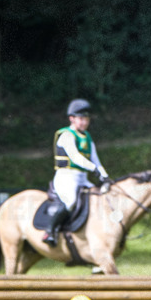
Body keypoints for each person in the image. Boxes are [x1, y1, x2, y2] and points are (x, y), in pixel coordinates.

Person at [43, 99, 110, 245]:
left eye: (86, 119)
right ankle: (50, 232)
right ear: (71, 118)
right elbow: (75, 157)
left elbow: (95, 159)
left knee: (100, 197)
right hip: (66, 177)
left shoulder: (87, 137)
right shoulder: (66, 135)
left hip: (82, 178)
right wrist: (94, 169)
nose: (84, 122)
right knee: (71, 201)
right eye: (81, 119)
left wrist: (104, 175)